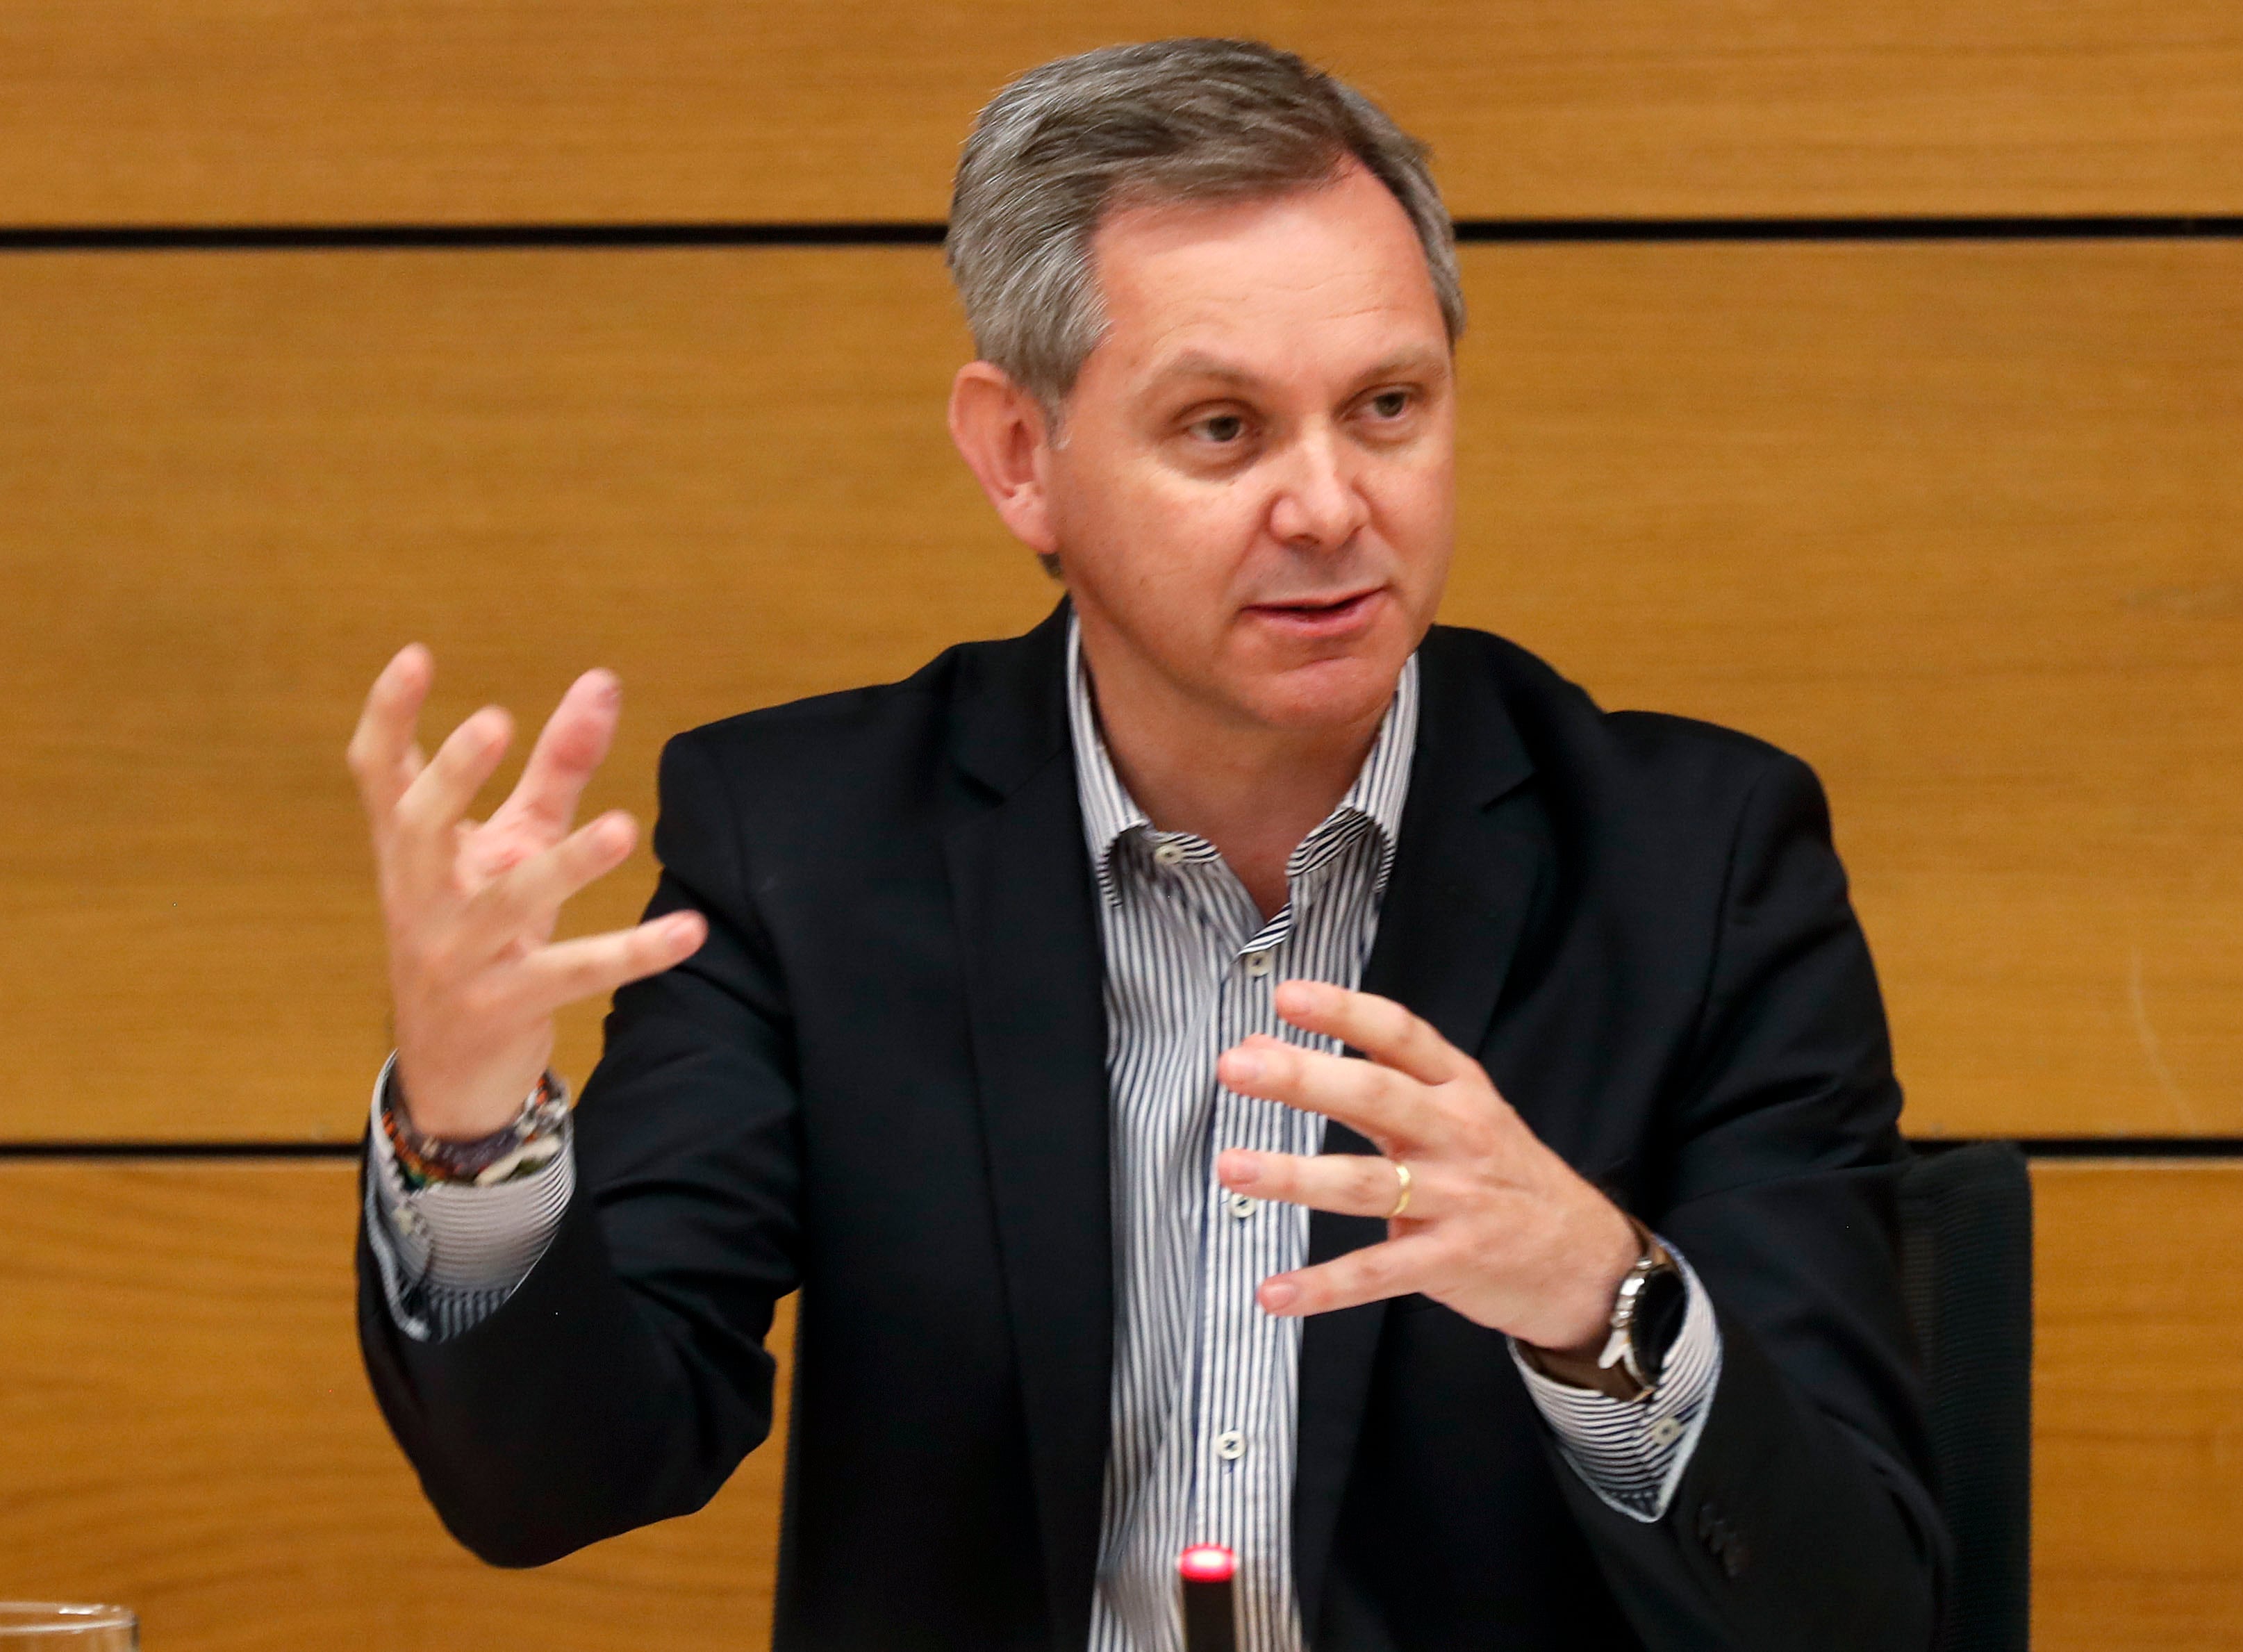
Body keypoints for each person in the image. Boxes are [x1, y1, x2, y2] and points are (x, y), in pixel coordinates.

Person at [349, 38, 1945, 1652]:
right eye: (1222, 430)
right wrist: (474, 1128)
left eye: (1386, 406)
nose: (1328, 505)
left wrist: (1597, 1297)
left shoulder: (1694, 869)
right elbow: (558, 1479)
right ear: (1017, 458)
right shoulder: (816, 846)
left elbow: (1859, 1609)